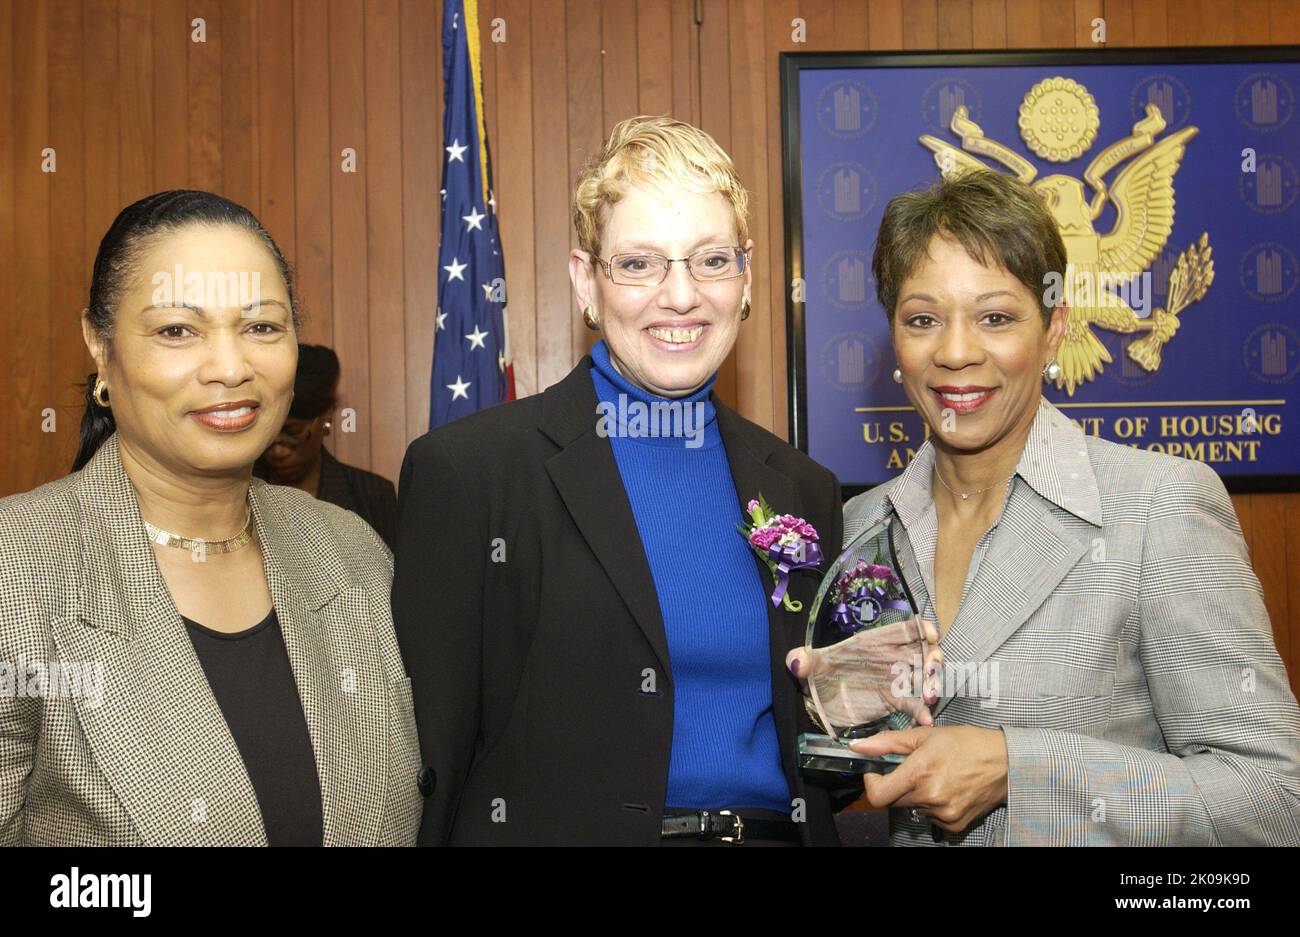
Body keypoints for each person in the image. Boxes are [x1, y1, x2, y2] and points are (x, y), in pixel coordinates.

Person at [393, 116, 935, 846]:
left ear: (745, 276)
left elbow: (823, 768)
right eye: (640, 264)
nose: (680, 296)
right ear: (587, 280)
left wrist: (878, 703)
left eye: (710, 261)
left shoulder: (802, 486)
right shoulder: (473, 475)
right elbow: (432, 759)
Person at [837, 168, 1300, 846]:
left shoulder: (1158, 509)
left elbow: (1274, 799)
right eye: (923, 319)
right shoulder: (861, 529)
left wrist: (1018, 769)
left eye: (996, 317)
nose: (956, 351)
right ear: (895, 344)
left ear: (1054, 328)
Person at [0, 190, 422, 846]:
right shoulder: (18, 567)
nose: (231, 368)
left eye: (261, 327)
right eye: (177, 330)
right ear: (100, 345)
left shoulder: (350, 548)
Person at [255, 344, 399, 552]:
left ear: (326, 417)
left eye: (293, 432)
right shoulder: (237, 493)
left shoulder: (371, 495)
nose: (278, 451)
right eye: (268, 434)